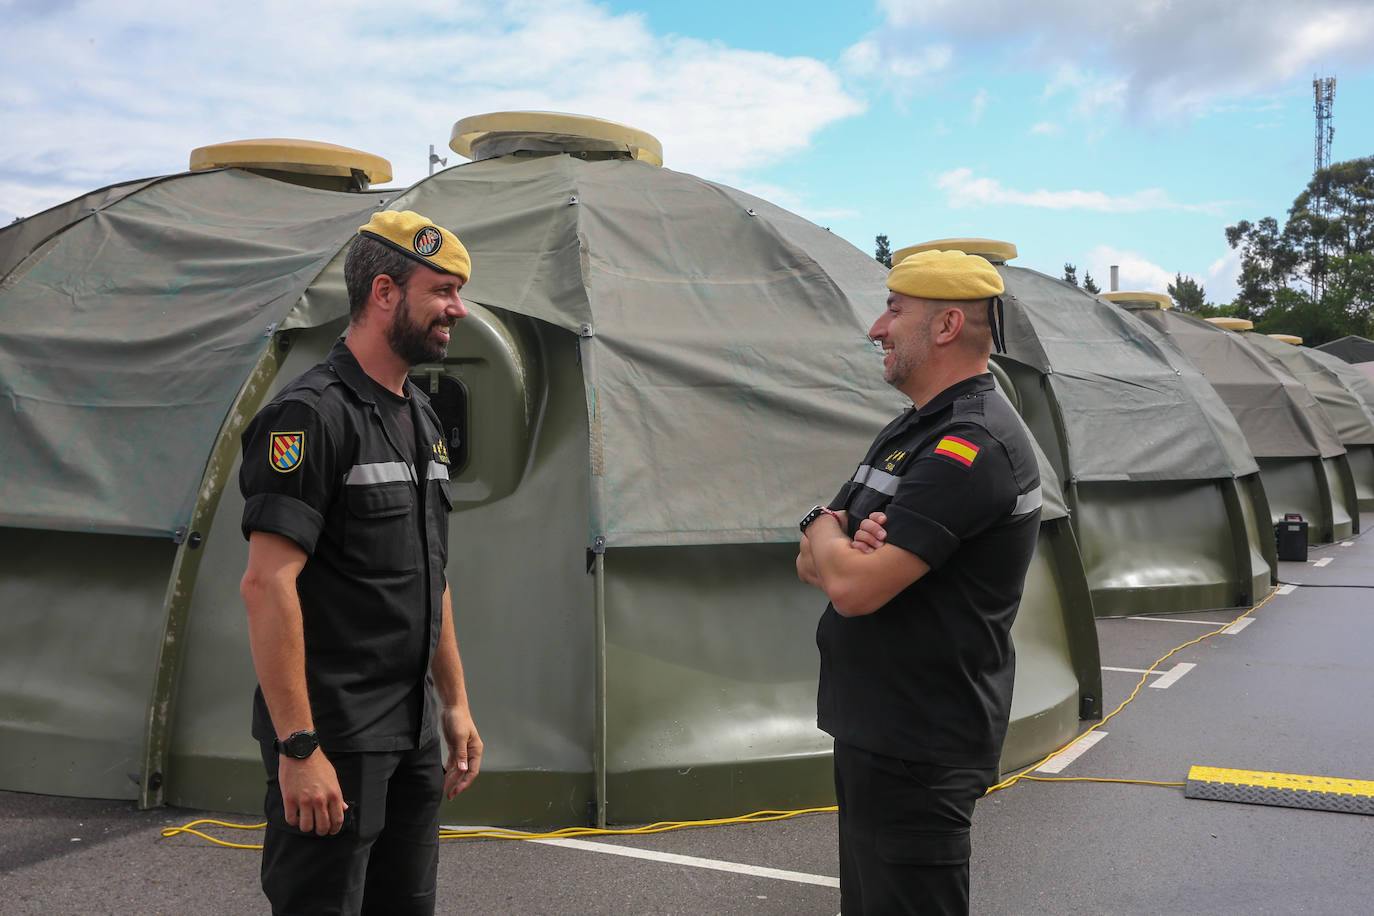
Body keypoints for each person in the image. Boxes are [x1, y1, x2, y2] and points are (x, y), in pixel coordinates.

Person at [239, 210, 482, 915]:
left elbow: (429, 577)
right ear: (384, 293)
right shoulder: (311, 416)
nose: (456, 310)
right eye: (442, 291)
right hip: (334, 735)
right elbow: (267, 584)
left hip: (407, 733)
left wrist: (456, 705)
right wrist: (298, 745)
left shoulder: (422, 419)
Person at [796, 249, 1042, 915]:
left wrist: (822, 523)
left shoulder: (969, 447)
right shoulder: (911, 432)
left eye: (894, 311)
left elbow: (850, 586)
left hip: (921, 746)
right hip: (880, 733)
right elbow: (813, 563)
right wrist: (836, 541)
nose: (877, 327)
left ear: (946, 326)